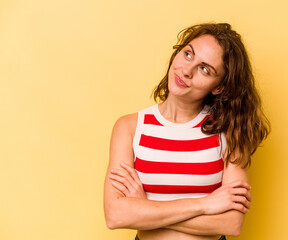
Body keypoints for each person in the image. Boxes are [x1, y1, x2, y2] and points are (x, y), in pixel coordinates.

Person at [103, 22, 270, 240]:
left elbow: (231, 224)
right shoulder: (129, 127)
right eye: (188, 54)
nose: (186, 71)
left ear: (219, 87)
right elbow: (116, 215)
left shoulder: (228, 131)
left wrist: (145, 208)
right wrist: (205, 204)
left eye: (204, 69)